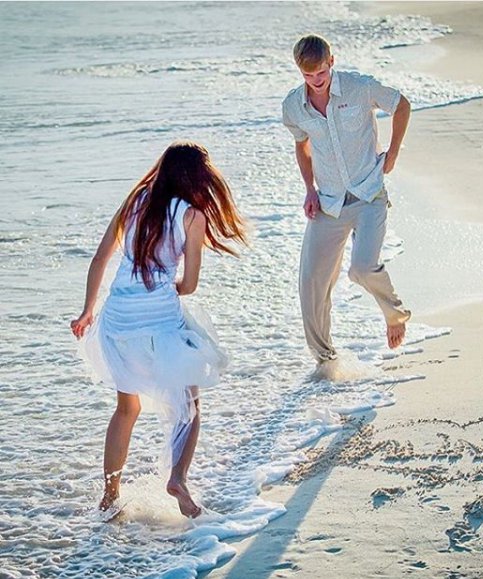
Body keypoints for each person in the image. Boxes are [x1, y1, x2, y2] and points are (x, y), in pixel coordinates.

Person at [70, 140, 246, 519]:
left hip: (117, 320)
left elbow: (101, 258)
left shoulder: (134, 201)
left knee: (126, 408)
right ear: (200, 178)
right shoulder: (192, 216)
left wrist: (87, 312)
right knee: (189, 404)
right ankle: (178, 479)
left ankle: (109, 495)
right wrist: (169, 286)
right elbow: (191, 284)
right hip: (159, 321)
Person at [282, 34, 412, 365]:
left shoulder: (359, 87)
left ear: (331, 62)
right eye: (308, 76)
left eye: (321, 73)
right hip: (328, 203)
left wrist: (393, 152)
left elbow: (401, 105)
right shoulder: (294, 107)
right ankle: (326, 361)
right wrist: (309, 188)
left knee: (362, 269)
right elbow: (302, 145)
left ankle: (395, 314)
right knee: (311, 284)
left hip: (369, 195)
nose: (316, 81)